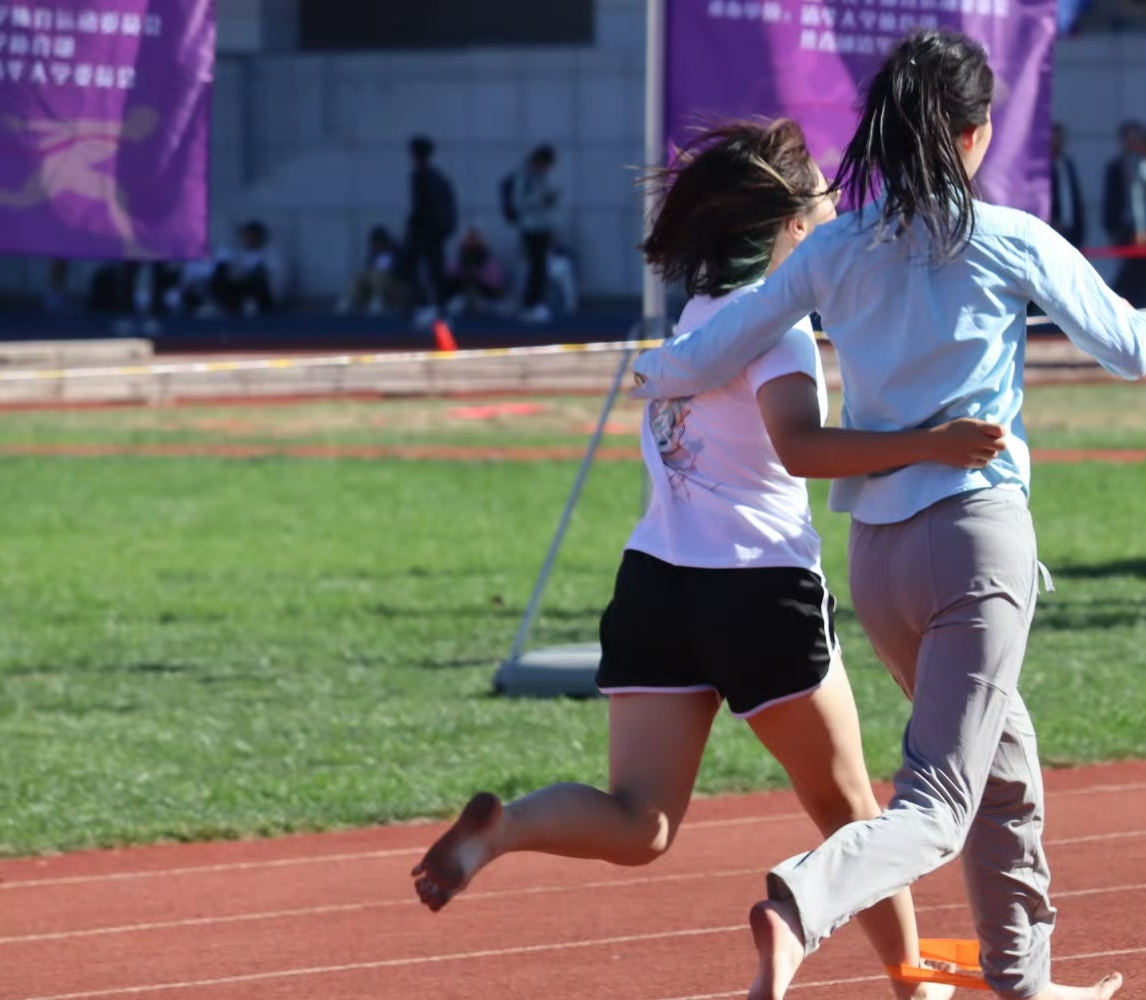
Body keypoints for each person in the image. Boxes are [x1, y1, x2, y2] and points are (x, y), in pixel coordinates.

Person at [410, 119, 1010, 1000]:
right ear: (790, 225)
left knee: (639, 822)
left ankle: (505, 829)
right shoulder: (775, 331)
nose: (836, 214)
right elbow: (800, 448)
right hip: (758, 593)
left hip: (655, 588)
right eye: (824, 204)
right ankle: (911, 987)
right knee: (849, 809)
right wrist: (930, 443)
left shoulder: (692, 324)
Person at [626, 28, 1146, 1000]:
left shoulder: (834, 247)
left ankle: (1023, 978)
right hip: (974, 540)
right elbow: (1131, 351)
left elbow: (711, 350)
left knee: (1001, 763)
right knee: (941, 799)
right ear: (973, 135)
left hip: (878, 559)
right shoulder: (1009, 237)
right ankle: (802, 901)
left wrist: (651, 371)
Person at [1103, 119, 1146, 307]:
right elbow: (1132, 199)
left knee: (1142, 272)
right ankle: (1116, 305)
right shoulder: (1124, 165)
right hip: (1132, 228)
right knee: (1132, 271)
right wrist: (1139, 229)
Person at [503, 144, 562, 323]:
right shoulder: (524, 176)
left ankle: (535, 302)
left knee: (541, 267)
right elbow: (519, 202)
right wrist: (541, 199)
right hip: (530, 228)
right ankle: (529, 304)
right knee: (534, 267)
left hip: (542, 226)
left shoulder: (541, 177)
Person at [403, 135, 458, 327]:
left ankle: (427, 306)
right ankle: (440, 309)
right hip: (436, 232)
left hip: (424, 231)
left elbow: (420, 207)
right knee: (436, 271)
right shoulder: (437, 177)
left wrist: (413, 228)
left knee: (416, 269)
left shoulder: (421, 176)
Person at [337, 226, 410, 316]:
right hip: (373, 286)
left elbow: (400, 274)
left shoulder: (396, 253)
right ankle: (346, 302)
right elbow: (368, 271)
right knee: (360, 275)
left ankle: (377, 301)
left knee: (378, 276)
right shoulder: (374, 256)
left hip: (393, 287)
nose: (375, 246)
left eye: (377, 243)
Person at [444, 226, 508, 316]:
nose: (471, 246)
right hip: (466, 289)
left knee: (472, 281)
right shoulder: (463, 258)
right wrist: (465, 273)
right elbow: (451, 274)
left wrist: (476, 274)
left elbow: (495, 282)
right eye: (469, 243)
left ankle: (479, 303)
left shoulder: (488, 261)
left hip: (486, 292)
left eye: (474, 243)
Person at [1047, 123, 1085, 248]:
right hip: (1051, 229)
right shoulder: (1041, 167)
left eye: (1060, 138)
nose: (1057, 142)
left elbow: (1075, 198)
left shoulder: (1068, 164)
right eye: (1054, 138)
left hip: (1071, 231)